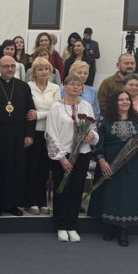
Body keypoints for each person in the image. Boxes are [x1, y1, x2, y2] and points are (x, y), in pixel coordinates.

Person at [88, 90, 138, 247]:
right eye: (121, 99)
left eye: (127, 99)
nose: (125, 102)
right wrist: (101, 160)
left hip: (131, 165)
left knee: (128, 195)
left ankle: (124, 230)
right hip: (109, 163)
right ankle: (110, 226)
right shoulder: (105, 120)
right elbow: (98, 142)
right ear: (115, 102)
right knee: (110, 194)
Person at [46, 74, 99, 242]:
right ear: (65, 86)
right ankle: (61, 225)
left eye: (79, 84)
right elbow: (50, 133)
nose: (76, 87)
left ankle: (72, 225)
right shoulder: (56, 107)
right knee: (62, 189)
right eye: (72, 84)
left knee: (77, 189)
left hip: (82, 154)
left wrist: (92, 136)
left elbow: (94, 128)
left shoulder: (87, 106)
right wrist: (61, 158)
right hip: (62, 155)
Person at [0, 56, 35, 216]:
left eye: (12, 66)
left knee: (16, 168)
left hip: (18, 135)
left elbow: (30, 111)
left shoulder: (23, 87)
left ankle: (13, 204)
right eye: (6, 66)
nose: (10, 69)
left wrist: (29, 134)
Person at [25, 57, 61, 215]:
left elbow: (57, 110)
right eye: (40, 69)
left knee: (45, 170)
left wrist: (39, 114)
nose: (43, 72)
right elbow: (28, 110)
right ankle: (30, 201)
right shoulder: (28, 86)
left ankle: (42, 201)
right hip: (33, 133)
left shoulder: (55, 88)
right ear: (34, 72)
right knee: (32, 168)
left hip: (50, 133)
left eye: (46, 69)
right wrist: (43, 114)